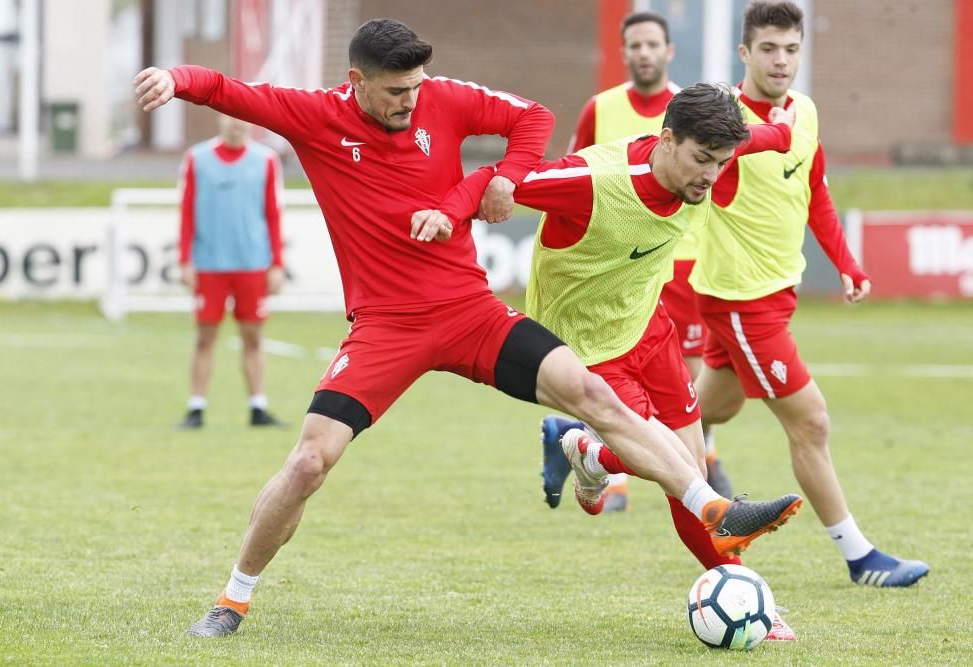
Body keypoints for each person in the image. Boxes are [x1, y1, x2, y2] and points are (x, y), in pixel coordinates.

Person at [134, 18, 802, 638]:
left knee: (593, 394)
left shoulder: (442, 99)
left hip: (469, 311)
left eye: (418, 87)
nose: (412, 102)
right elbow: (227, 90)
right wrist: (177, 79)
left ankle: (709, 506)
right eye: (397, 92)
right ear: (356, 82)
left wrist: (508, 178)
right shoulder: (315, 116)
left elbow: (530, 117)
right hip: (385, 327)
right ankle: (232, 598)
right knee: (310, 460)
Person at [454, 82, 800, 637]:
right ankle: (743, 587)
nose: (710, 175)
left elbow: (756, 139)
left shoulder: (706, 162)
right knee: (683, 478)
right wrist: (480, 194)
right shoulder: (596, 181)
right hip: (586, 349)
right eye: (701, 160)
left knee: (693, 465)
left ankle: (590, 454)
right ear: (667, 141)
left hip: (648, 323)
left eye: (721, 162)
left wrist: (782, 132)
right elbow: (495, 179)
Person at [692, 1, 928, 588]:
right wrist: (772, 128)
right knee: (811, 423)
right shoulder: (724, 122)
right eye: (768, 49)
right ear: (744, 53)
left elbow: (815, 188)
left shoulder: (805, 111)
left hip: (773, 296)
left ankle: (590, 446)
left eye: (791, 49)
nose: (781, 60)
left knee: (706, 413)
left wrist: (847, 262)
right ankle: (860, 557)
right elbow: (749, 143)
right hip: (741, 300)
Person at [541, 11, 730, 514]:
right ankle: (618, 466)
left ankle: (675, 460)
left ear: (668, 51)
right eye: (635, 45)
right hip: (612, 264)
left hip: (677, 266)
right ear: (623, 53)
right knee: (623, 400)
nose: (644, 52)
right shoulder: (599, 108)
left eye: (653, 44)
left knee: (685, 386)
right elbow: (572, 175)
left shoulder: (700, 116)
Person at [175, 114, 287, 430]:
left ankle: (258, 406)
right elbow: (186, 210)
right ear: (219, 120)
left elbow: (273, 213)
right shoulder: (197, 158)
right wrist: (185, 259)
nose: (236, 125)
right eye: (230, 118)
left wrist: (276, 263)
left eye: (242, 120)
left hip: (252, 263)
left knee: (253, 336)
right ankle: (196, 407)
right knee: (205, 336)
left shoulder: (265, 160)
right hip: (210, 263)